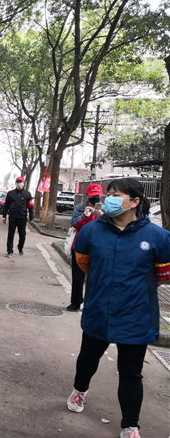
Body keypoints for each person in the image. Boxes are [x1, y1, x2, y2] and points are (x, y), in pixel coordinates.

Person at [68, 178, 170, 438]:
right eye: (109, 194)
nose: (109, 199)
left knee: (131, 373)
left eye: (116, 195)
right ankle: (79, 390)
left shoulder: (158, 237)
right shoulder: (91, 231)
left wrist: (135, 288)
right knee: (87, 359)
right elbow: (83, 262)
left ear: (135, 201)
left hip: (137, 315)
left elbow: (163, 274)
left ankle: (130, 425)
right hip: (99, 309)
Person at [67, 183, 103, 312]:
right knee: (77, 277)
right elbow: (74, 223)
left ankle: (90, 304)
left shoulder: (105, 209)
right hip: (80, 246)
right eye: (93, 196)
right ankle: (75, 302)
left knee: (95, 278)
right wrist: (85, 216)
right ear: (88, 195)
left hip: (98, 247)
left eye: (98, 196)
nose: (95, 198)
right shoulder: (80, 208)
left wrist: (102, 216)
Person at [2, 176, 34, 258]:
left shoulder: (27, 194)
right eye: (18, 182)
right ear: (15, 183)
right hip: (12, 217)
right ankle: (9, 251)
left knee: (22, 235)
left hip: (22, 218)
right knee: (10, 235)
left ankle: (20, 247)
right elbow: (6, 205)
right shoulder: (10, 194)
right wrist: (4, 216)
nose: (19, 184)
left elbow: (30, 206)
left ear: (23, 183)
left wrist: (31, 218)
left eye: (21, 182)